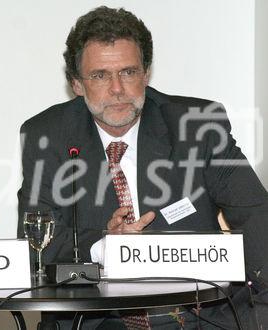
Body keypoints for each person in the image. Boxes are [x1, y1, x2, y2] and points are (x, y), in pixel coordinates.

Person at [18, 6, 268, 329]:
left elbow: (257, 217)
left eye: (128, 72)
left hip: (196, 318)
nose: (117, 89)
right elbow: (36, 244)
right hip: (97, 320)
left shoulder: (198, 128)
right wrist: (104, 246)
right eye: (100, 76)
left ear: (146, 74)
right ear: (77, 84)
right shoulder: (48, 136)